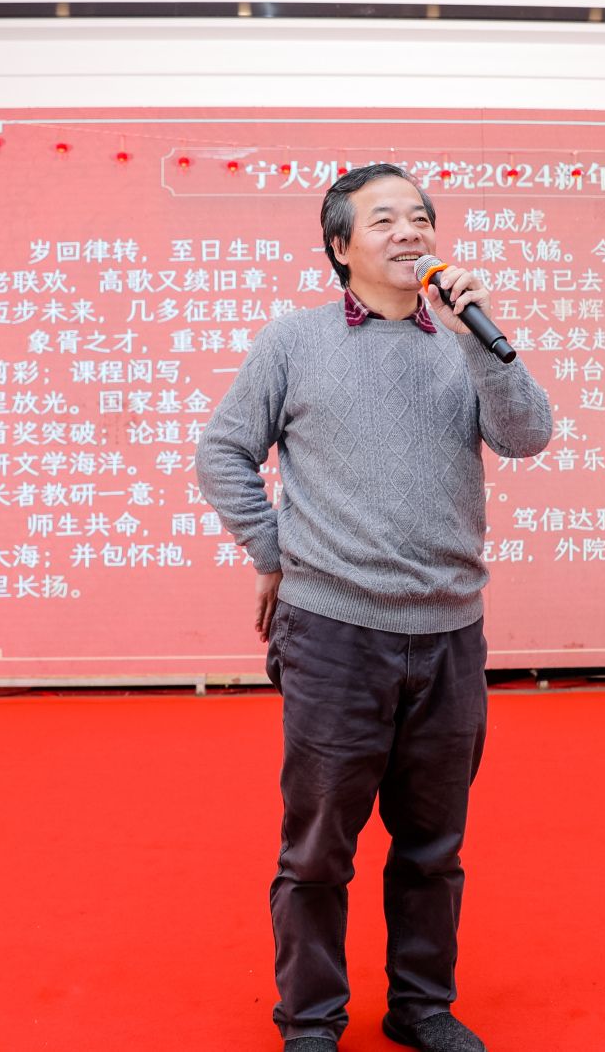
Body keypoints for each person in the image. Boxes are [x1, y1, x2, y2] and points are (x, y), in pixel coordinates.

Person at [195, 163, 553, 1052]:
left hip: (450, 635)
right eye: (385, 219)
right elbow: (223, 452)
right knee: (318, 845)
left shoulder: (463, 339)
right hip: (333, 633)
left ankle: (420, 1005)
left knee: (434, 843)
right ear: (339, 245)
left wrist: (482, 341)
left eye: (420, 217)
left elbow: (527, 435)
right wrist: (275, 551)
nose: (410, 232)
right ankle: (311, 1020)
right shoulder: (294, 340)